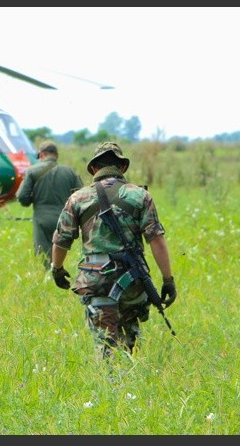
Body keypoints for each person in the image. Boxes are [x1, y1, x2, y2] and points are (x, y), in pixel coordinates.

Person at [49, 142, 177, 358]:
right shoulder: (140, 196)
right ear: (122, 167)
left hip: (96, 280)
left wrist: (57, 269)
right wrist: (167, 280)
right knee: (131, 343)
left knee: (104, 342)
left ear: (93, 169)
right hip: (133, 281)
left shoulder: (78, 198)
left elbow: (61, 241)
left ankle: (109, 383)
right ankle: (130, 381)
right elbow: (156, 240)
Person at [15, 140, 83, 269]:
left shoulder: (32, 171)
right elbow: (80, 197)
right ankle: (60, 272)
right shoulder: (70, 172)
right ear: (56, 155)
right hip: (65, 219)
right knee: (62, 251)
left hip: (42, 219)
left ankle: (48, 278)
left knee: (43, 255)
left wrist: (33, 198)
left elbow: (22, 198)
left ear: (41, 155)